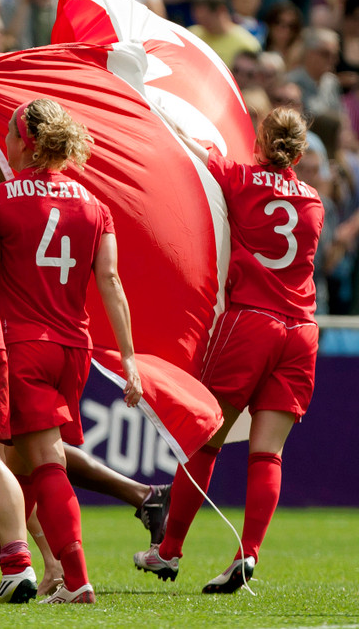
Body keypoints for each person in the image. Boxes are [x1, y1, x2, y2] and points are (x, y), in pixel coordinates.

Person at [135, 106, 323, 593]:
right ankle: (249, 553)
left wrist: (157, 110)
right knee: (268, 455)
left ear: (259, 142)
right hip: (301, 331)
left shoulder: (241, 179)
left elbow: (190, 147)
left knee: (206, 440)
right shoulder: (315, 202)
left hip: (252, 322)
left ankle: (169, 550)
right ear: (300, 153)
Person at [0, 98, 142, 605]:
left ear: (27, 143)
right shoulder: (95, 206)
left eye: (11, 133)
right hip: (74, 349)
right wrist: (130, 359)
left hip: (22, 345)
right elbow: (111, 281)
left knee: (45, 463)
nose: (5, 141)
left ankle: (75, 579)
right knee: (25, 464)